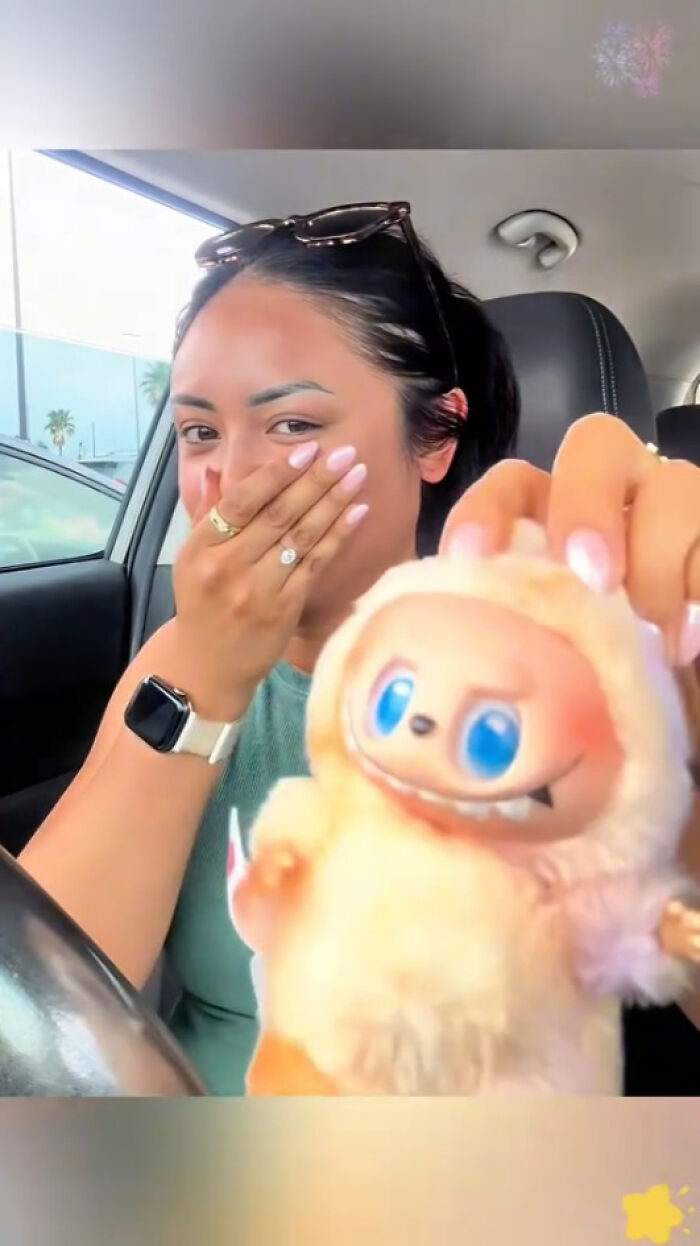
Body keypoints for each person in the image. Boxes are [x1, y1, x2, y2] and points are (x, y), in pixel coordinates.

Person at [18, 202, 700, 1095]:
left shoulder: (564, 680)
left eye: (293, 424)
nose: (230, 479)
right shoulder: (177, 670)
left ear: (437, 437)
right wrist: (208, 674)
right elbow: (39, 1021)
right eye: (199, 432)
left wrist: (677, 710)